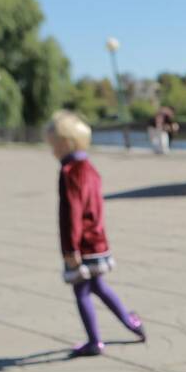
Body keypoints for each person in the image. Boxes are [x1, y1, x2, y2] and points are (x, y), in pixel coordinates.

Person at [47, 110, 146, 357]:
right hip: (98, 240)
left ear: (66, 143)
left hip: (80, 244)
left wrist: (71, 249)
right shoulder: (90, 168)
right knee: (99, 285)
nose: (53, 151)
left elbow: (72, 211)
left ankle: (94, 341)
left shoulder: (70, 171)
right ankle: (131, 322)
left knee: (81, 291)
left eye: (54, 145)